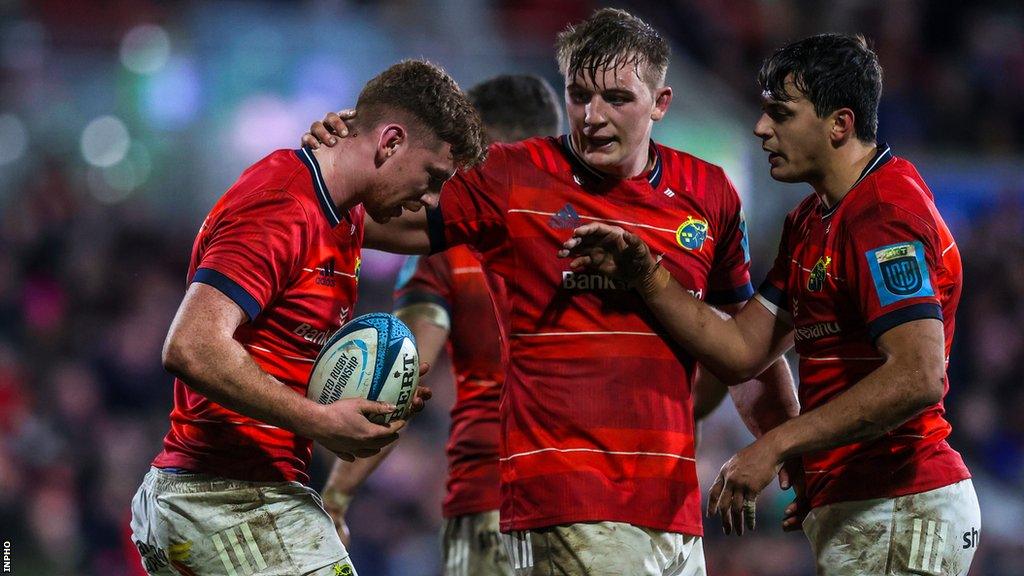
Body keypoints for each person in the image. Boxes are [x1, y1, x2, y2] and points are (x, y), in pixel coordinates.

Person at [304, 9, 798, 576]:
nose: (593, 116)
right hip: (565, 499)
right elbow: (388, 220)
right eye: (579, 95)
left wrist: (786, 451)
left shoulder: (709, 192)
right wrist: (330, 167)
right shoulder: (512, 175)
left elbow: (746, 347)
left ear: (661, 102)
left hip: (672, 507)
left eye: (617, 98)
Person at [560, 34, 979, 575]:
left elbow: (919, 375)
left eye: (781, 114)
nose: (762, 129)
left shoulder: (882, 214)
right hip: (869, 506)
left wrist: (776, 444)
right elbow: (742, 350)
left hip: (902, 501)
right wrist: (646, 273)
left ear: (840, 125)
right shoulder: (810, 221)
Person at [129, 60, 486, 576]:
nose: (430, 197)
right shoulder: (283, 204)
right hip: (224, 498)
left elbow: (442, 227)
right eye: (432, 177)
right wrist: (321, 422)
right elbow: (190, 344)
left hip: (231, 496)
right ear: (389, 143)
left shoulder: (344, 213)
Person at [316, 73, 563, 576]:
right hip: (602, 499)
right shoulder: (614, 230)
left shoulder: (447, 248)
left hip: (492, 501)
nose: (450, 181)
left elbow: (401, 372)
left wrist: (338, 494)